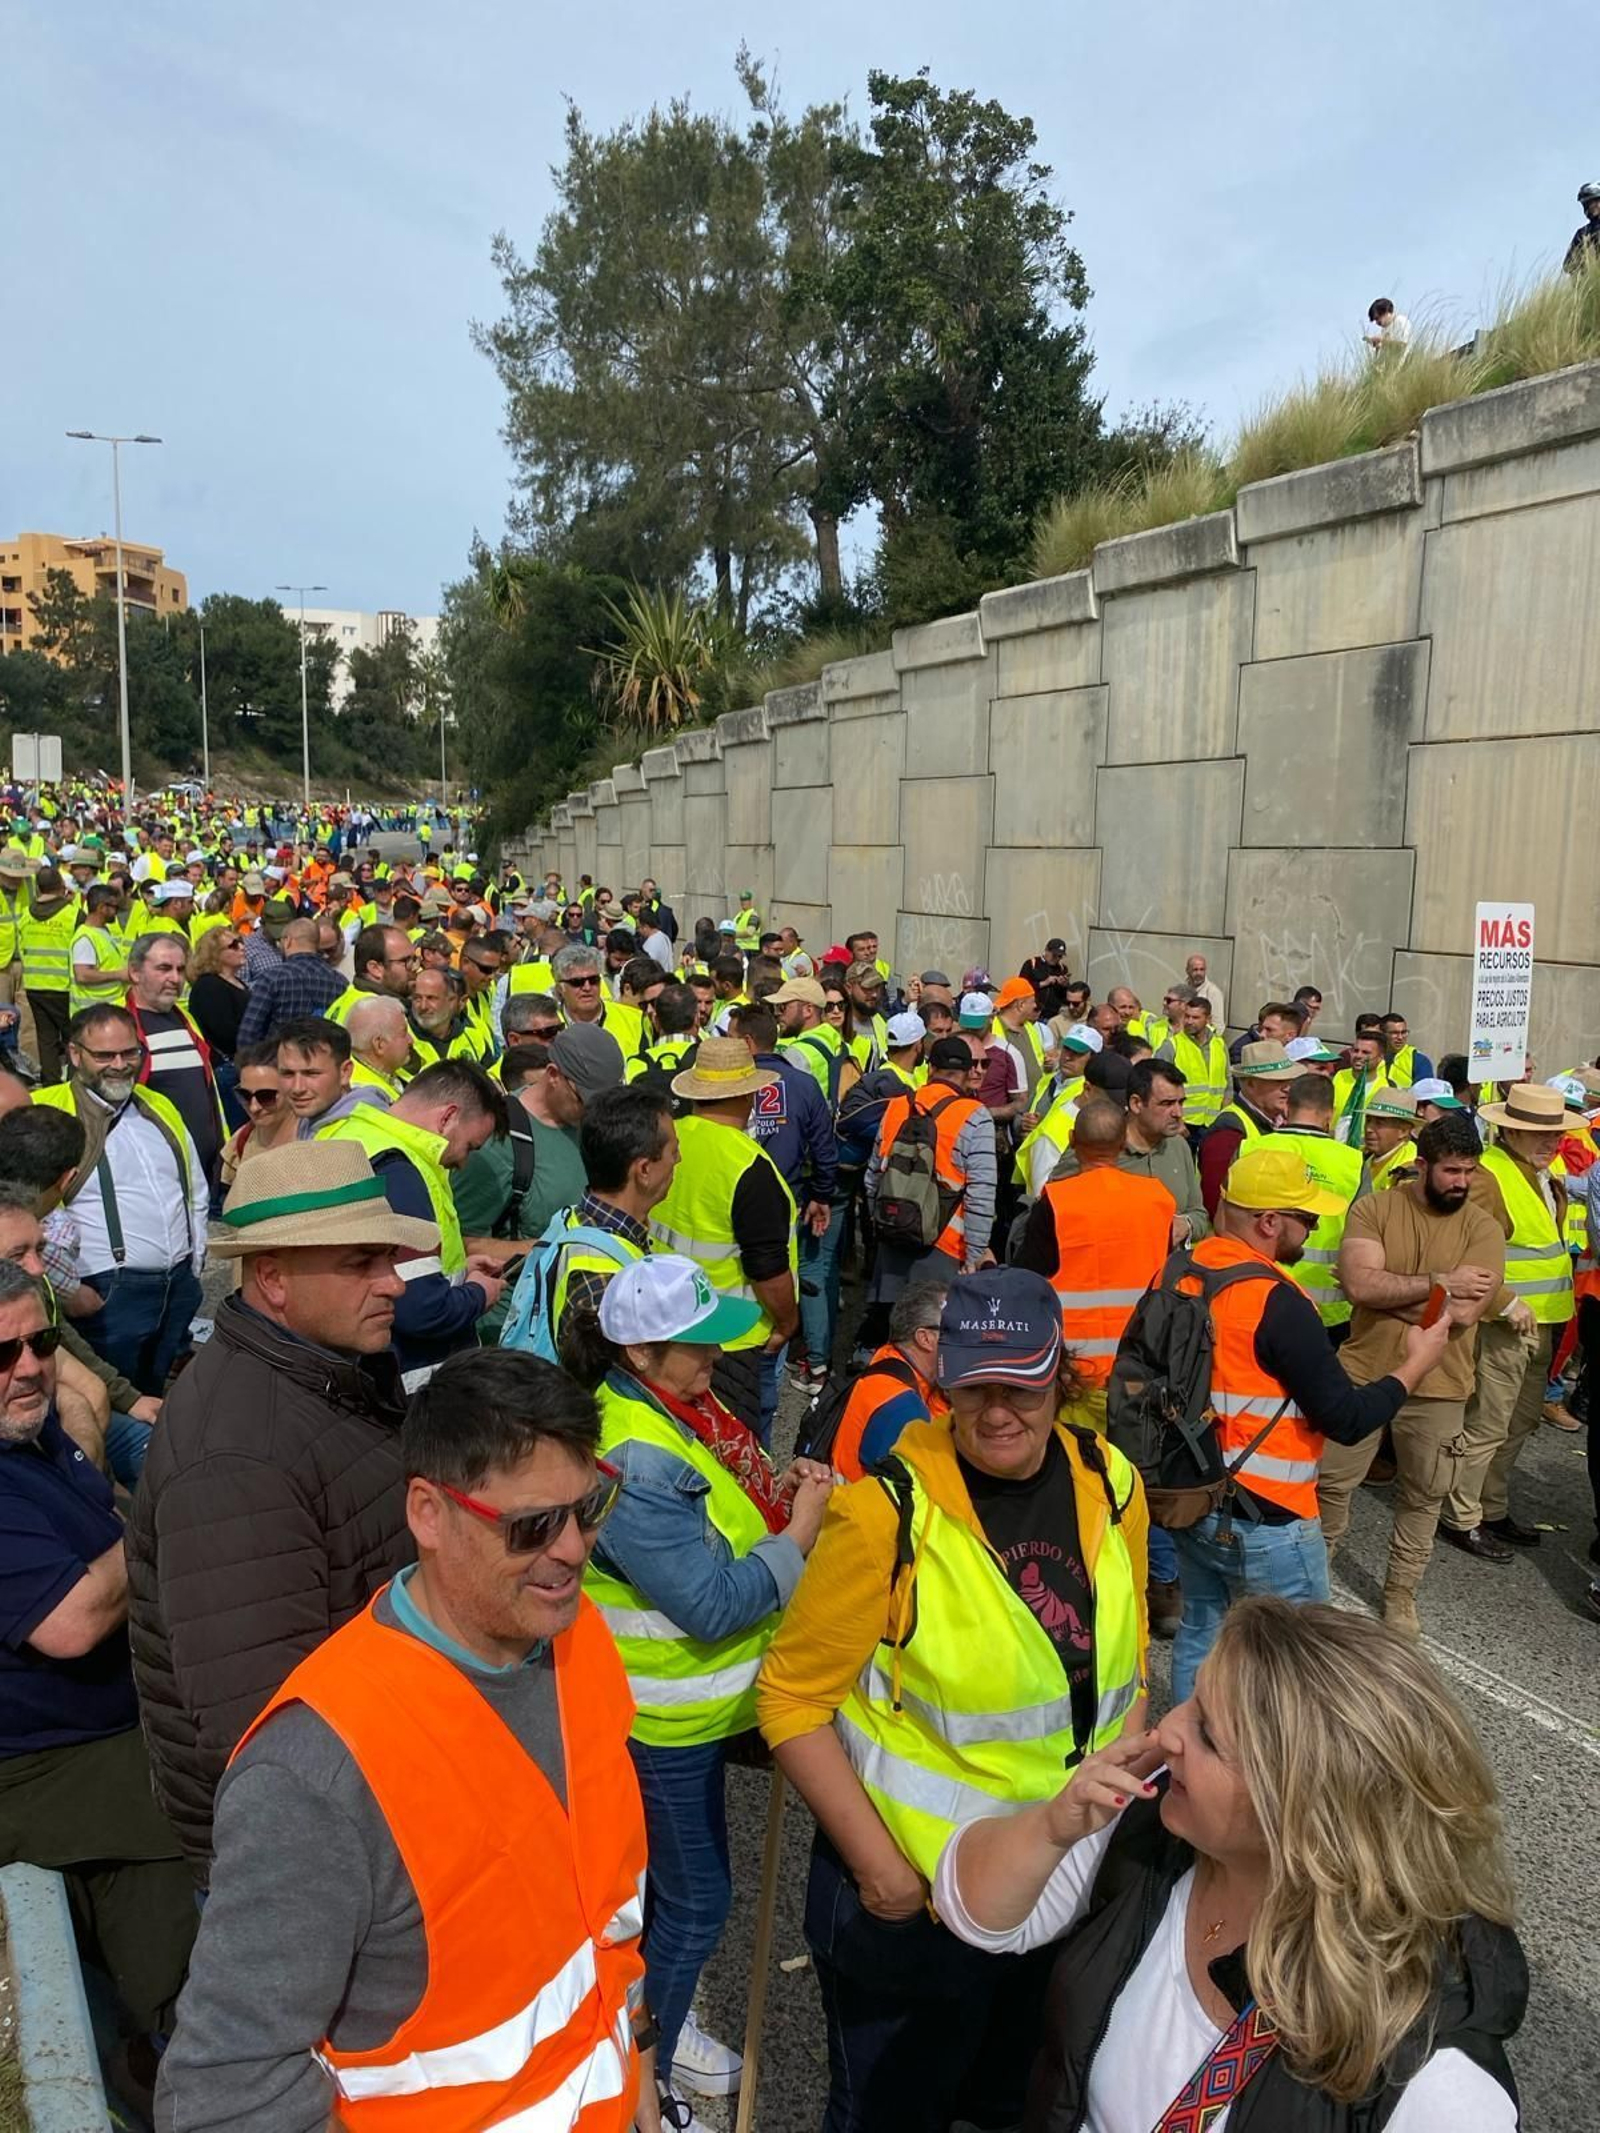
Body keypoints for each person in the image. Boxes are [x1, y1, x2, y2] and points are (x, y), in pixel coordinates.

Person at [155, 1348, 656, 2132]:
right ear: (427, 1512)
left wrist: (640, 2070)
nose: (573, 1550)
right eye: (532, 1526)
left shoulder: (577, 1635)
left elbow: (605, 1918)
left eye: (589, 1508)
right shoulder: (315, 1773)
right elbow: (226, 2096)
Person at [758, 1269, 1148, 2133]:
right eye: (974, 1384)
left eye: (1021, 1383)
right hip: (918, 1909)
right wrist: (881, 1872)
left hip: (1052, 1887)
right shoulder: (883, 1514)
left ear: (1061, 1376)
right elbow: (789, 1697)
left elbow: (1124, 1672)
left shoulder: (1113, 1481)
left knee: (1008, 2106)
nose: (996, 1408)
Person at [937, 1597, 1525, 2132]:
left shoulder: (1434, 2081)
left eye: (1209, 1736)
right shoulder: (1154, 1831)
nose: (1166, 1729)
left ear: (1306, 1813)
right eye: (1190, 1698)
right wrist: (1051, 1826)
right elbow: (974, 1914)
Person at [563, 1255, 833, 2125]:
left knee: (660, 1896)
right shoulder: (632, 1459)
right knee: (694, 1901)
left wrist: (773, 1500)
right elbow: (714, 1601)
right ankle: (645, 2076)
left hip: (696, 1712)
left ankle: (647, 2030)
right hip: (660, 1721)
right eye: (699, 1345)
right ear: (639, 1356)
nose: (719, 1357)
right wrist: (798, 1531)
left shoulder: (686, 1410)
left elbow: (720, 1519)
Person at [126, 1143, 427, 1882]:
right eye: (362, 1263)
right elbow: (262, 1724)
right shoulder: (236, 1458)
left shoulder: (327, 1377)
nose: (394, 1283)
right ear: (272, 1277)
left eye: (387, 1257)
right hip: (319, 1853)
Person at [0, 1257, 198, 2094]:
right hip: (41, 1763)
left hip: (104, 1728)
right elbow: (73, 1623)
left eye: (42, 1341)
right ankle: (176, 2051)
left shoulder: (35, 1433)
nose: (31, 1365)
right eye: (2, 1353)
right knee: (185, 1801)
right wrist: (163, 1511)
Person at [1170, 1145, 1450, 1694]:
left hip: (1191, 1496)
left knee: (1201, 1635)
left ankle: (1190, 1757)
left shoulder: (1182, 1271)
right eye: (1308, 1218)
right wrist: (1416, 1364)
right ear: (1270, 1222)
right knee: (1299, 1671)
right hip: (1269, 1518)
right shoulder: (1278, 1301)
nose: (1314, 1230)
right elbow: (1345, 1418)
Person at [1316, 1113, 1511, 1631]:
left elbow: (1466, 1314)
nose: (1462, 1182)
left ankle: (1400, 1594)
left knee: (1424, 1494)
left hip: (1442, 1384)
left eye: (1470, 1171)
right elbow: (1359, 1288)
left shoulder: (1483, 1227)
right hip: (1363, 1373)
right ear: (1421, 1165)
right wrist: (1442, 1282)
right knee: (1332, 1483)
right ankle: (1315, 1581)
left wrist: (1391, 1292)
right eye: (1451, 1171)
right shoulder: (1374, 1209)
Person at [34, 1004, 208, 1397]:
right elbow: (25, 1211)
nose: (120, 1064)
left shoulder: (157, 1105)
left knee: (153, 1395)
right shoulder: (49, 1108)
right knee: (108, 1406)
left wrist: (194, 1266)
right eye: (104, 1055)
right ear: (75, 1054)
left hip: (176, 1287)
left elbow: (193, 1186)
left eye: (130, 1053)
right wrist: (68, 1291)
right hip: (106, 1295)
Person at [1439, 1080, 1575, 1561]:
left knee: (1516, 1425)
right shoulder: (1489, 1176)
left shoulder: (1544, 1172)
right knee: (1487, 1424)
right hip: (1504, 1324)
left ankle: (1490, 1507)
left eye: (1556, 1134)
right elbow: (1464, 1251)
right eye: (1538, 1133)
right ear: (1509, 1131)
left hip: (1541, 1324)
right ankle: (1461, 1516)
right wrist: (1501, 1302)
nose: (1550, 1142)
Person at [647, 1039, 798, 1431]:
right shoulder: (749, 1166)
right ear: (749, 1092)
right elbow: (768, 1268)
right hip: (733, 1341)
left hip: (666, 1323)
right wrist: (786, 1323)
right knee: (742, 1454)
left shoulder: (666, 1141)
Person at [1016, 1098, 1176, 1410]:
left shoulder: (1057, 1201)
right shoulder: (1158, 1199)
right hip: (1141, 1365)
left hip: (1075, 1371)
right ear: (1123, 1143)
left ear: (1073, 1140)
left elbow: (1026, 1281)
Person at [857, 1034, 995, 1361]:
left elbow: (873, 1176)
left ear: (930, 1067)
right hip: (945, 1247)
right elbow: (981, 1194)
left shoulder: (896, 1106)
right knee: (933, 1342)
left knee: (893, 1333)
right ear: (964, 1074)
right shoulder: (975, 1115)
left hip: (893, 1237)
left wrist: (883, 1228)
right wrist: (975, 1256)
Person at [1256, 1068, 1364, 1338]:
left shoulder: (1252, 1148)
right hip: (1331, 1310)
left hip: (1260, 1292)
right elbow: (1365, 1236)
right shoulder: (1353, 1162)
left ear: (1288, 1107)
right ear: (1330, 1113)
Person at [125, 931, 224, 1184]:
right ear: (135, 972)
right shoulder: (116, 1024)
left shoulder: (185, 1019)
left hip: (198, 1174)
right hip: (150, 1176)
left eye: (180, 969)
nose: (175, 978)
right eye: (164, 968)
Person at [826, 1279, 948, 1482]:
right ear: (925, 1338)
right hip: (862, 1510)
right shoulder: (905, 1411)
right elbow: (910, 1498)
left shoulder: (888, 1360)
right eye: (955, 1331)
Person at [1199, 1040, 1307, 1213]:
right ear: (1250, 1084)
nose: (1287, 1088)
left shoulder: (1278, 1121)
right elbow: (1214, 1199)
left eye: (1289, 1080)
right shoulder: (1229, 1131)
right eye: (1277, 1081)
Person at [235, 917, 348, 1047]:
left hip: (277, 1062)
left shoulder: (272, 978)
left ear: (287, 941)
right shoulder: (340, 983)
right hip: (320, 1062)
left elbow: (248, 1035)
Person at [20, 863, 77, 1083]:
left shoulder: (26, 915)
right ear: (61, 886)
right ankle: (74, 1083)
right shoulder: (72, 914)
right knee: (74, 1038)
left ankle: (51, 1085)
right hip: (63, 987)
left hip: (34, 986)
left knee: (46, 1039)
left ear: (38, 888)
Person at [1156, 989, 1229, 1135]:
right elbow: (1157, 1085)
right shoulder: (1172, 1046)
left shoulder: (1219, 1044)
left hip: (1213, 1121)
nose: (1189, 1021)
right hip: (1184, 1123)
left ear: (1207, 1019)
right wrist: (1177, 1122)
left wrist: (1226, 1113)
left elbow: (1228, 1081)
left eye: (1195, 1017)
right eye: (1186, 1016)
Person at [70, 880, 132, 1015]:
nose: (117, 912)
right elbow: (83, 975)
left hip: (107, 1008)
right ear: (102, 908)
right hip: (92, 1012)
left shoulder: (102, 931)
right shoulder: (85, 938)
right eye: (115, 907)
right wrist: (119, 975)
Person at [345, 992, 412, 1100]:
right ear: (379, 1045)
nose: (411, 1040)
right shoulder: (363, 1094)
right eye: (404, 1033)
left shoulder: (391, 1070)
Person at [1564, 180, 1600, 272]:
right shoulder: (1583, 233)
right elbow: (1568, 265)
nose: (1590, 207)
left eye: (1593, 202)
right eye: (1587, 204)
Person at [1184, 950, 1225, 1030]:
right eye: (1195, 970)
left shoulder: (1213, 992)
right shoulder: (1182, 990)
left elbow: (1218, 1026)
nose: (1199, 973)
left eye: (1202, 969)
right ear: (1187, 970)